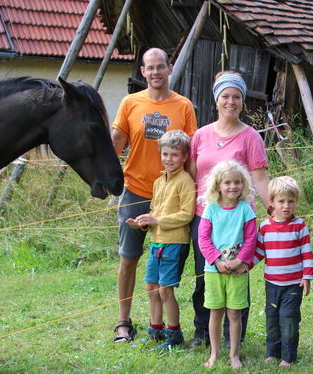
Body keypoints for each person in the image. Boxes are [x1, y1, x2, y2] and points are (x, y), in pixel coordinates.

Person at [111, 47, 197, 343]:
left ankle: (169, 325)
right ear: (143, 72)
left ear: (169, 69)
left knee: (170, 259)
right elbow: (115, 144)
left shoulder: (183, 105)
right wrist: (106, 180)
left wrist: (196, 190)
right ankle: (123, 322)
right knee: (129, 257)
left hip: (173, 195)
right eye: (150, 67)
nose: (156, 72)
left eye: (161, 66)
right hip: (135, 189)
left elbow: (192, 152)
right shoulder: (130, 103)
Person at [187, 71, 270, 348]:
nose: (230, 102)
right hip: (205, 219)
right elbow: (190, 175)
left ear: (242, 102)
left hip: (238, 220)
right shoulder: (200, 136)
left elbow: (259, 178)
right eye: (225, 96)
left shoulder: (251, 137)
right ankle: (202, 332)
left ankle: (234, 334)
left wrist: (274, 210)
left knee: (236, 274)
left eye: (236, 97)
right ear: (216, 100)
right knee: (205, 275)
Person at [124, 130, 195, 350]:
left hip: (175, 243)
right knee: (152, 288)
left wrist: (156, 219)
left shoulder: (185, 181)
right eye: (165, 154)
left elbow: (186, 214)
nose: (169, 159)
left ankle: (174, 335)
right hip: (157, 242)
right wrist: (143, 223)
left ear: (184, 157)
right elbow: (155, 211)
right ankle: (156, 330)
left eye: (175, 155)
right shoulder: (158, 181)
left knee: (166, 291)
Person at [197, 160, 257, 368]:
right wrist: (217, 261)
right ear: (218, 186)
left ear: (243, 184)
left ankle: (234, 354)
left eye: (238, 182)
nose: (233, 186)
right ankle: (214, 353)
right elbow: (203, 239)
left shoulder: (246, 209)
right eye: (228, 182)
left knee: (234, 313)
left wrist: (240, 261)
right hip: (214, 270)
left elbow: (251, 239)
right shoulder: (211, 209)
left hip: (238, 270)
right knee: (216, 311)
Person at [252, 176, 313, 367]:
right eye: (281, 201)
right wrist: (244, 266)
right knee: (272, 319)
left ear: (296, 202)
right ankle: (272, 352)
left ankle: (288, 356)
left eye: (291, 201)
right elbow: (260, 252)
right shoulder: (264, 227)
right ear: (271, 202)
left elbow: (307, 253)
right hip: (272, 283)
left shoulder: (299, 225)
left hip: (293, 284)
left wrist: (307, 277)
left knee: (288, 319)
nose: (286, 206)